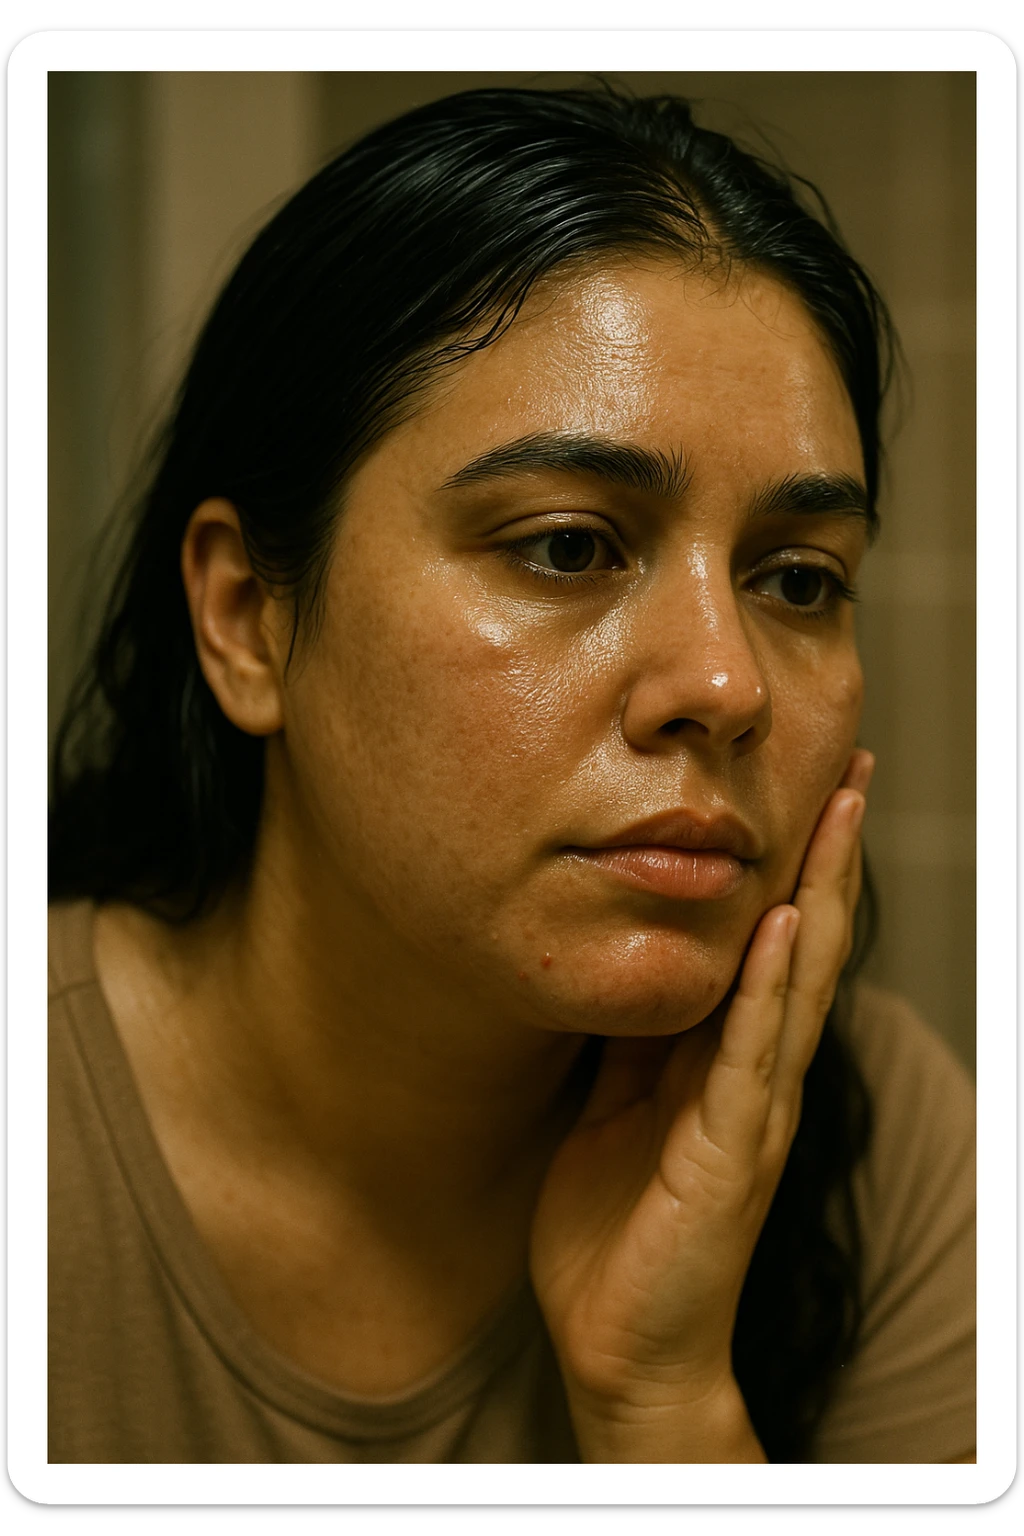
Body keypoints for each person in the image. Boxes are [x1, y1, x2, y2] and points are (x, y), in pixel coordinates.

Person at [48, 84, 975, 1465]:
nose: (726, 686)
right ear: (247, 617)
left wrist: (664, 1400)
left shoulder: (873, 1143)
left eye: (797, 577)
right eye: (565, 547)